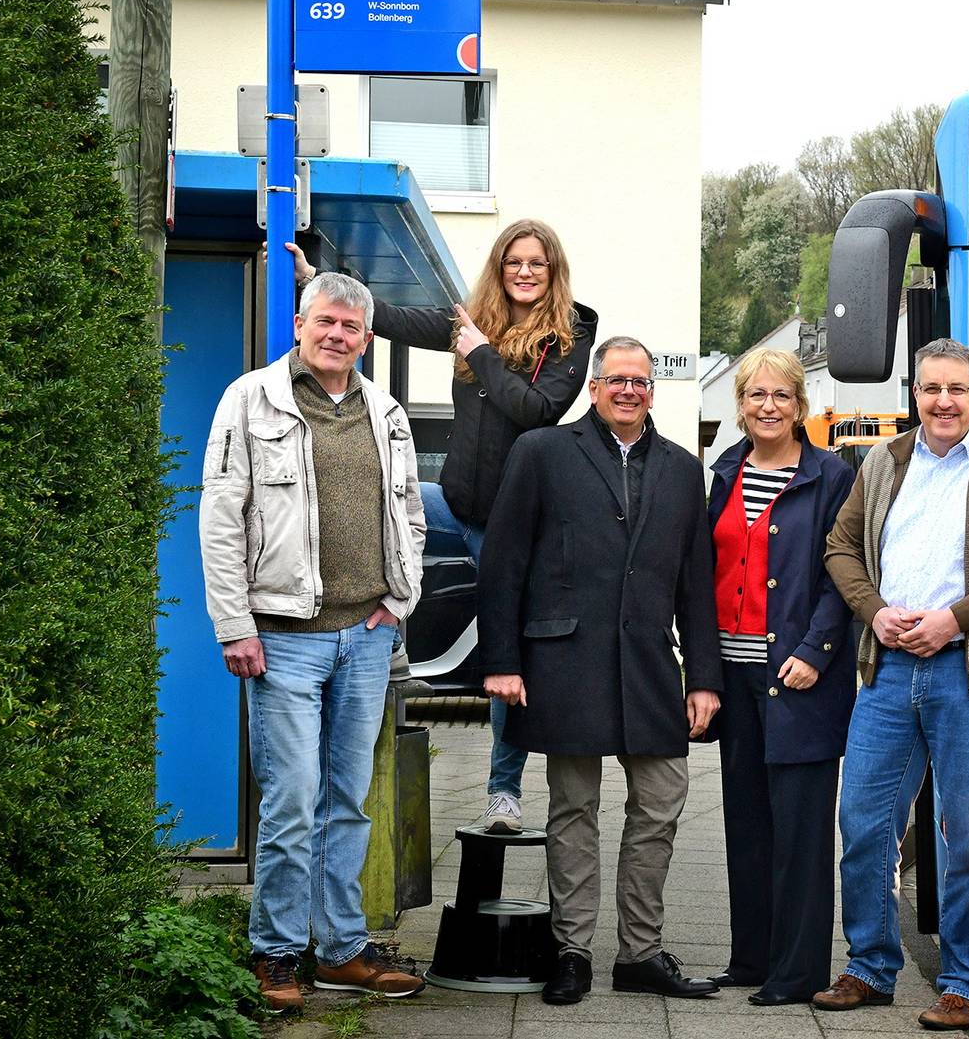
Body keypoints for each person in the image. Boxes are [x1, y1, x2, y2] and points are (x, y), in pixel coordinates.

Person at [290, 220, 595, 834]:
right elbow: (391, 319)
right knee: (383, 502)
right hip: (455, 499)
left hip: (512, 522)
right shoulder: (471, 318)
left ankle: (503, 792)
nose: (525, 272)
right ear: (499, 266)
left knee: (505, 650)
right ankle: (386, 639)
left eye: (537, 262)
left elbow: (537, 410)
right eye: (514, 261)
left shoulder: (570, 333)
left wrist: (479, 353)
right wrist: (318, 288)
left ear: (552, 269)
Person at [198, 273, 429, 1012]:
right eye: (326, 321)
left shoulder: (386, 410)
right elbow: (221, 515)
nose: (337, 335)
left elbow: (411, 512)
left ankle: (340, 949)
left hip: (364, 638)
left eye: (351, 327)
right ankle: (275, 952)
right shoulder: (251, 399)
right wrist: (234, 623)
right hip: (283, 638)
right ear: (301, 324)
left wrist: (400, 598)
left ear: (366, 337)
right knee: (293, 800)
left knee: (349, 800)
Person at [814, 338, 969, 1031]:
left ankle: (966, 983)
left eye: (956, 388)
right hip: (888, 671)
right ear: (914, 394)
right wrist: (875, 610)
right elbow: (840, 546)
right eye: (930, 388)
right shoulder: (883, 461)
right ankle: (869, 966)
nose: (943, 401)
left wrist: (955, 618)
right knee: (862, 822)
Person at [477, 336, 723, 1005]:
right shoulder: (542, 453)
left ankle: (640, 952)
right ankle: (573, 951)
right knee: (573, 808)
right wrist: (502, 660)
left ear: (652, 390)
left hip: (649, 667)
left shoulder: (679, 468)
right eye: (616, 379)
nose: (628, 390)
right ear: (593, 387)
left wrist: (703, 676)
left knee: (663, 802)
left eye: (640, 381)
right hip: (565, 662)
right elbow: (503, 563)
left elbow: (697, 584)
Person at [703, 348, 858, 1006]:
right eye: (755, 394)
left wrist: (817, 651)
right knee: (747, 822)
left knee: (800, 828)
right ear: (739, 404)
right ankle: (752, 956)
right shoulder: (725, 469)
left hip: (798, 677)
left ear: (802, 405)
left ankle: (796, 971)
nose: (768, 405)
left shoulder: (831, 476)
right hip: (736, 678)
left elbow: (841, 572)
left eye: (781, 395)